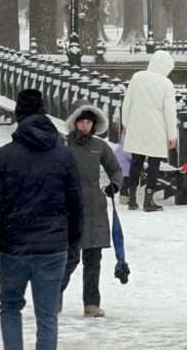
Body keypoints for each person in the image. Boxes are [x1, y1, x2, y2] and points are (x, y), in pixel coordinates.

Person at [0, 105, 84, 350]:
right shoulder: (65, 157)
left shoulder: (1, 157)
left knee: (10, 308)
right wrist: (73, 244)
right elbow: (76, 206)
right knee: (47, 315)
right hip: (53, 246)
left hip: (13, 246)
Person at [56, 101, 123, 318]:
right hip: (70, 207)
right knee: (69, 258)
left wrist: (114, 186)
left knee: (93, 260)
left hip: (95, 208)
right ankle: (53, 298)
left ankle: (92, 303)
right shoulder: (62, 145)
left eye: (89, 122)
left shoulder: (100, 146)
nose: (85, 126)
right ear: (74, 122)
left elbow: (116, 169)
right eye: (81, 121)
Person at [119, 50, 178, 212]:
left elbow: (127, 102)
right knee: (154, 164)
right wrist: (172, 136)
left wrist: (125, 124)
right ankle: (148, 199)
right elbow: (170, 112)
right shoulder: (167, 84)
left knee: (136, 162)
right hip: (156, 128)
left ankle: (132, 198)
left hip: (136, 124)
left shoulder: (137, 77)